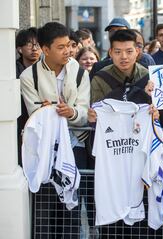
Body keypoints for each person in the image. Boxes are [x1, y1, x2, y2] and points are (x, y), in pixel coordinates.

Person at [20, 21, 90, 238]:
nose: (68, 51)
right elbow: (35, 113)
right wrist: (50, 111)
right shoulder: (28, 76)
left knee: (71, 205)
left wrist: (72, 113)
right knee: (44, 204)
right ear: (45, 49)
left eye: (69, 45)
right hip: (44, 149)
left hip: (75, 143)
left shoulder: (79, 72)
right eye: (61, 47)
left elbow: (84, 110)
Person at [90, 29, 149, 104]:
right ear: (110, 53)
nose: (124, 57)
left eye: (129, 51)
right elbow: (97, 110)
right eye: (118, 52)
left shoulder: (148, 77)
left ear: (137, 52)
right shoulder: (100, 79)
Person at [15, 27, 42, 165]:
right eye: (29, 44)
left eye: (37, 44)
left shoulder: (47, 70)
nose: (34, 49)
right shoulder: (13, 71)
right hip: (18, 123)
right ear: (19, 49)